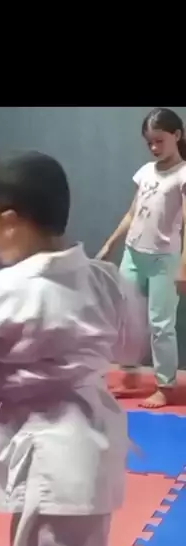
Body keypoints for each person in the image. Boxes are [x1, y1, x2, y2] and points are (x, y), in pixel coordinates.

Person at [0, 152, 148, 546]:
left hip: (52, 451)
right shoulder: (106, 278)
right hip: (92, 439)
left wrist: (2, 365)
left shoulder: (9, 287)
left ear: (11, 221)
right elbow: (130, 343)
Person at [97, 108, 186, 408]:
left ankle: (165, 385)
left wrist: (183, 266)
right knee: (127, 317)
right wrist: (110, 244)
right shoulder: (146, 171)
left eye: (160, 141)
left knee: (161, 325)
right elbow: (132, 213)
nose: (154, 148)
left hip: (164, 260)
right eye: (150, 143)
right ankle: (130, 371)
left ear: (177, 135)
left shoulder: (183, 175)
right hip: (133, 254)